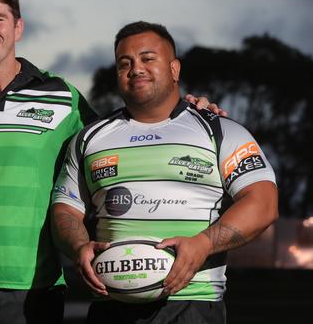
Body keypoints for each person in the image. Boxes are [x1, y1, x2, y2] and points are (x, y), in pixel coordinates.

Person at [0, 0, 221, 324]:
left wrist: (186, 110)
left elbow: (119, 138)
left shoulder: (63, 98)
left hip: (35, 290)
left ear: (18, 27)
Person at [51, 21, 278, 323]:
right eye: (124, 63)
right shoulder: (89, 139)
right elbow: (65, 208)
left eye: (148, 58)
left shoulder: (220, 131)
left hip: (192, 305)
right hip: (110, 306)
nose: (136, 69)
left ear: (174, 69)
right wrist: (79, 246)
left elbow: (263, 203)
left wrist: (203, 243)